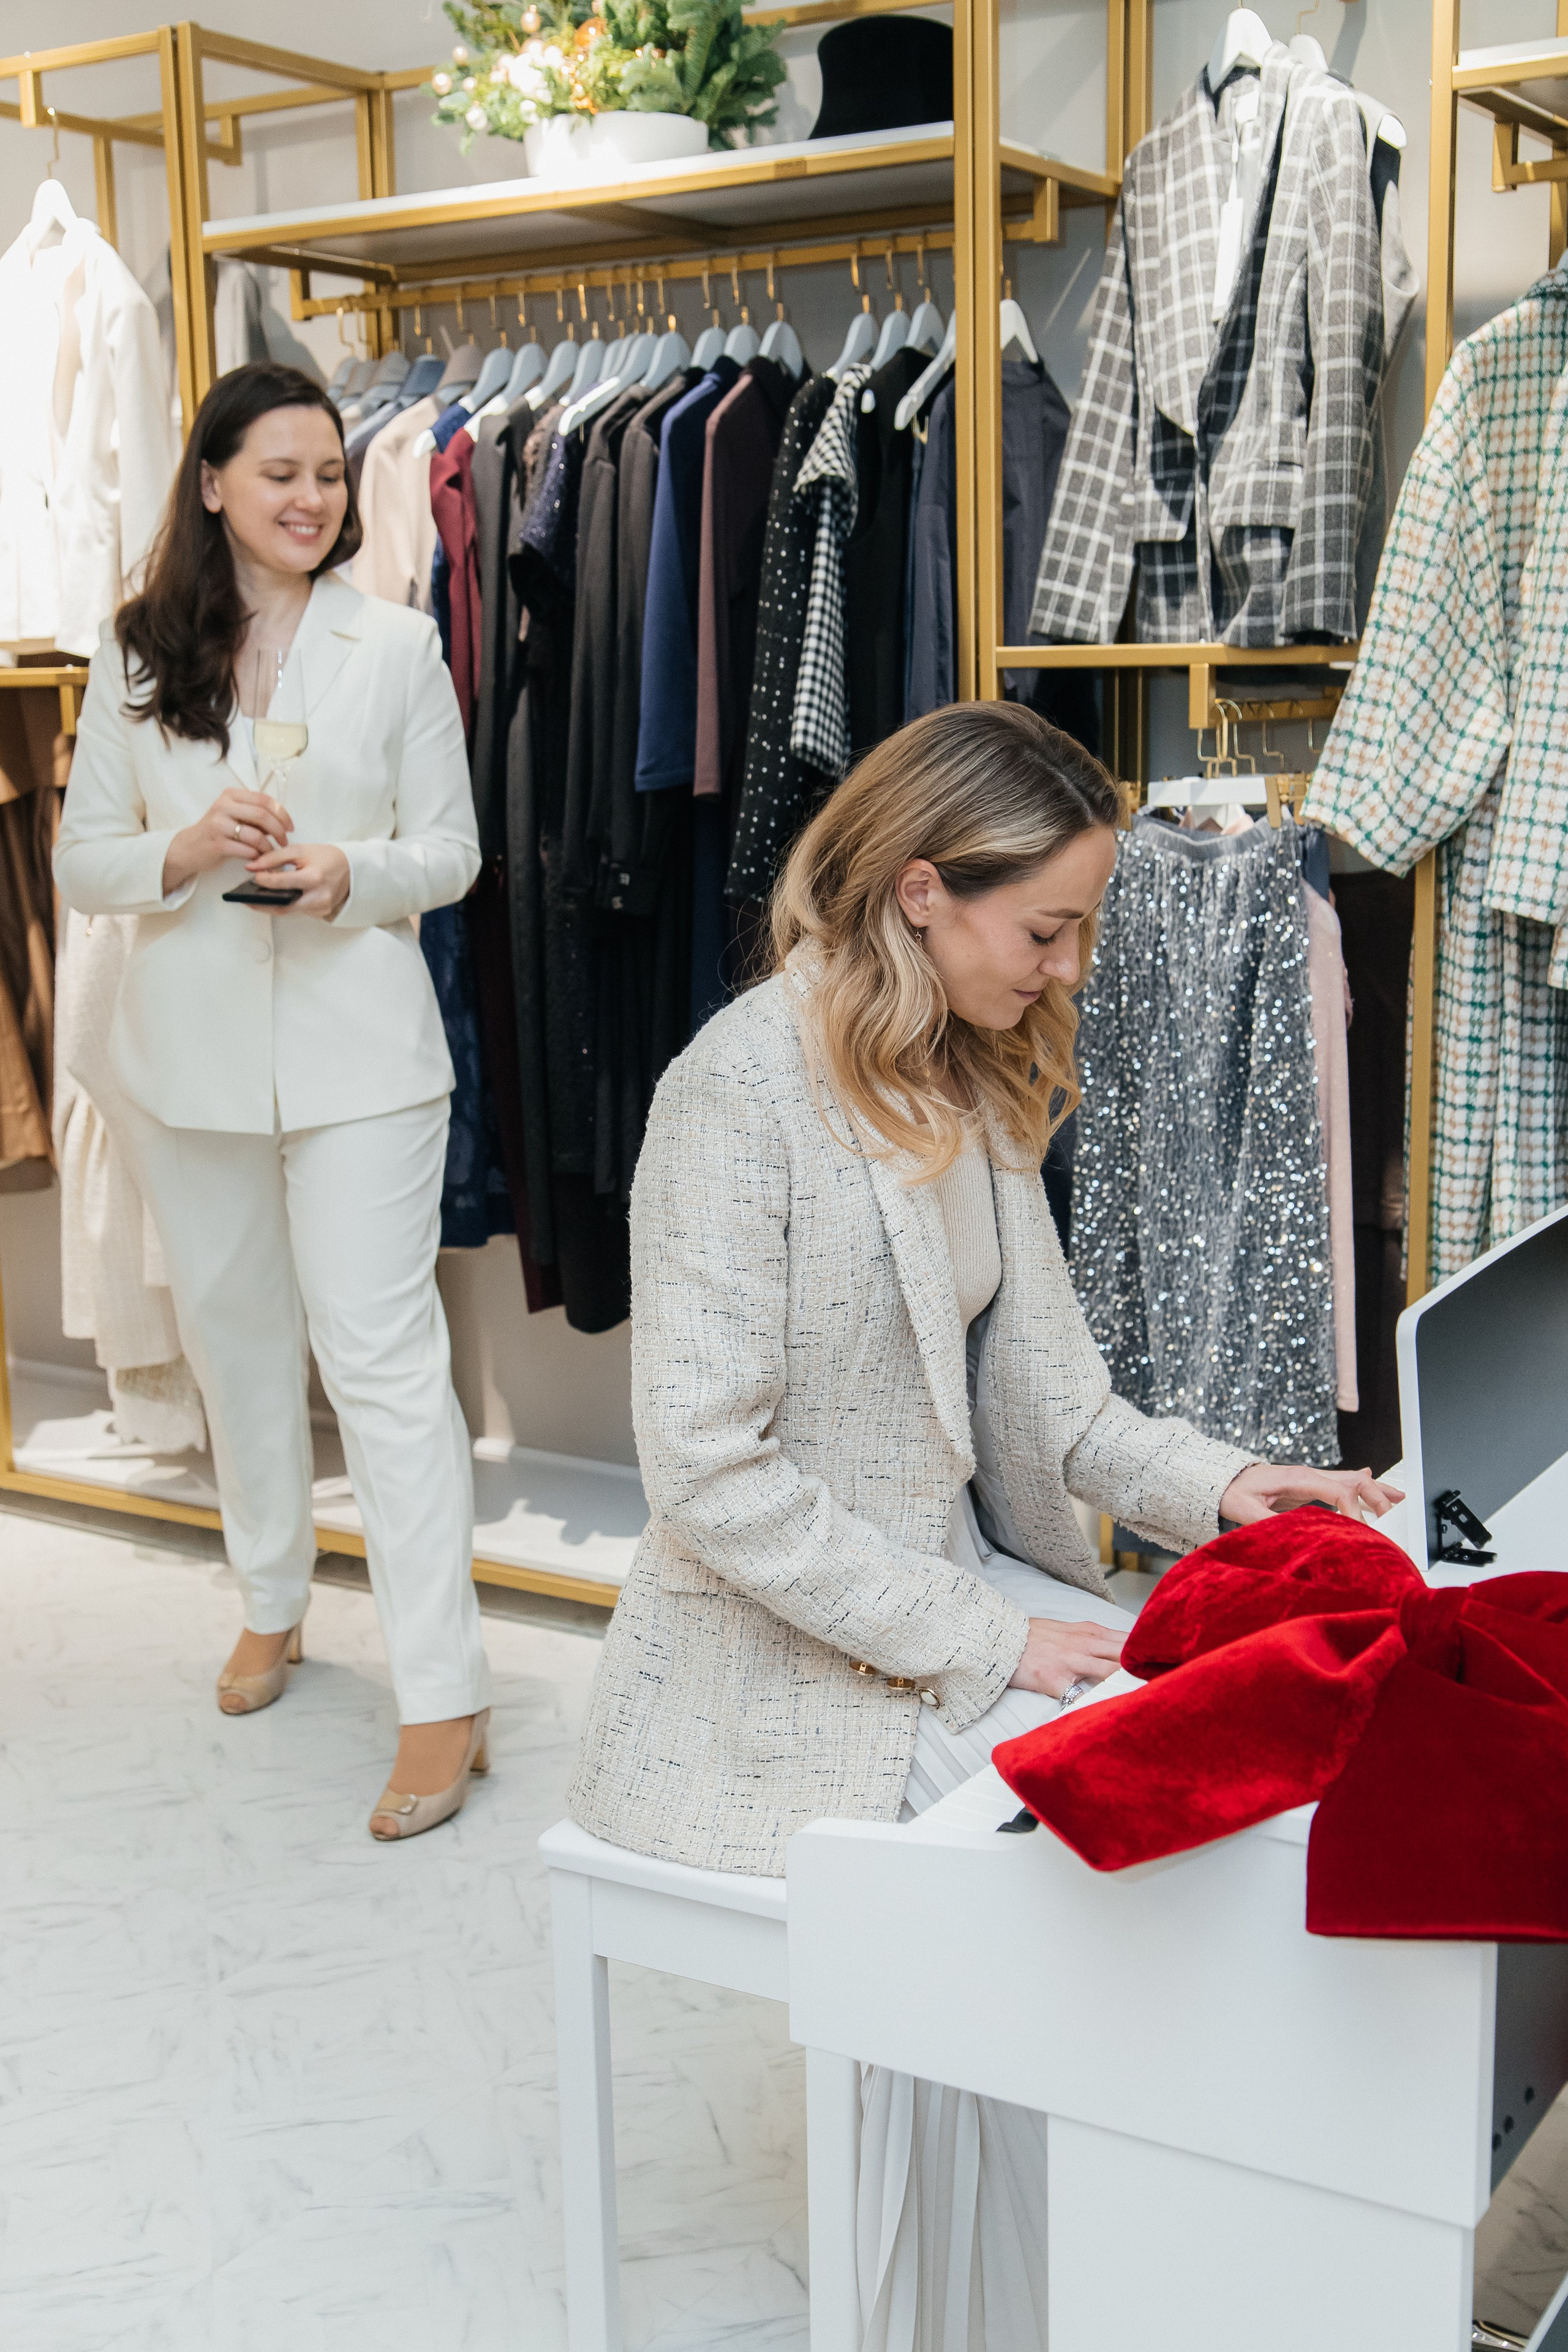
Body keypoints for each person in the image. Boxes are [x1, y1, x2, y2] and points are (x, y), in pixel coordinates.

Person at [567, 699, 1401, 2345]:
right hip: (778, 1660)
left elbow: (1061, 1410)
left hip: (955, 1596)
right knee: (1062, 1878)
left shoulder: (958, 1075)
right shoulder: (733, 1099)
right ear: (921, 891)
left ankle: (1136, 2271)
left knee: (1211, 1797)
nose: (1074, 969)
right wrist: (993, 1641)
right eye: (1052, 928)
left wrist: (1233, 1486)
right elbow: (709, 1477)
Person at [55, 361, 491, 1843]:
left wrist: (351, 872)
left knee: (381, 1363)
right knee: (236, 1341)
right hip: (185, 1063)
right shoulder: (133, 653)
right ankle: (269, 1599)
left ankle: (442, 1692)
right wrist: (180, 852)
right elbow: (81, 862)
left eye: (326, 474)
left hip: (363, 1055)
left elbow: (454, 851)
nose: (311, 500)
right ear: (215, 485)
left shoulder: (396, 645)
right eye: (280, 474)